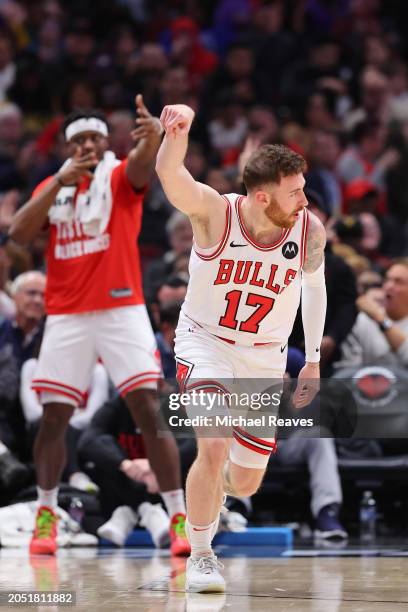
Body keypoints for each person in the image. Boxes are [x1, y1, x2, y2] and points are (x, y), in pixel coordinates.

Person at [156, 104, 327, 592]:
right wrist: (179, 131)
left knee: (245, 481)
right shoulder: (216, 212)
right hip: (205, 342)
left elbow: (315, 289)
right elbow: (171, 174)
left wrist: (312, 358)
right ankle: (202, 553)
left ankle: (213, 496)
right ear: (260, 195)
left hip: (263, 357)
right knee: (211, 446)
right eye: (293, 192)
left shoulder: (308, 229)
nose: (303, 199)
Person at [8, 96, 189, 557]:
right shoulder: (54, 184)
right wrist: (57, 185)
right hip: (68, 313)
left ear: (106, 142)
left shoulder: (117, 173)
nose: (88, 145)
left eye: (95, 137)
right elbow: (18, 236)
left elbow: (141, 167)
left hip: (120, 307)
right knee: (54, 419)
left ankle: (177, 517)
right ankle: (46, 513)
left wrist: (152, 140)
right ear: (68, 147)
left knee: (149, 409)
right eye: (79, 140)